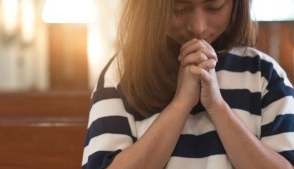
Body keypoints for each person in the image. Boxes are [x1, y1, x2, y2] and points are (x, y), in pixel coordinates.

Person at [82, 0, 294, 168]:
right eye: (179, 8)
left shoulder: (263, 73)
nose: (198, 27)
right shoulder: (123, 72)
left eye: (214, 7)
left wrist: (217, 106)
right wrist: (181, 103)